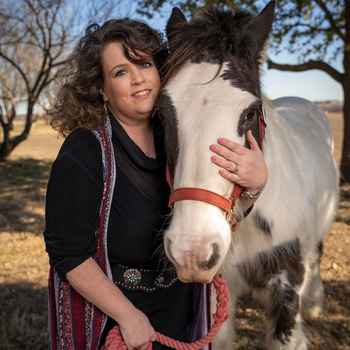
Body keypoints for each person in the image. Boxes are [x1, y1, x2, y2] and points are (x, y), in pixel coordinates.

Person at [43, 18, 267, 350]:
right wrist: (128, 316)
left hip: (179, 310)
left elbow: (215, 215)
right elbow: (68, 254)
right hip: (114, 318)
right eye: (120, 72)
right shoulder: (85, 149)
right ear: (101, 89)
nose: (137, 79)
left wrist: (255, 185)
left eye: (145, 63)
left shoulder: (176, 141)